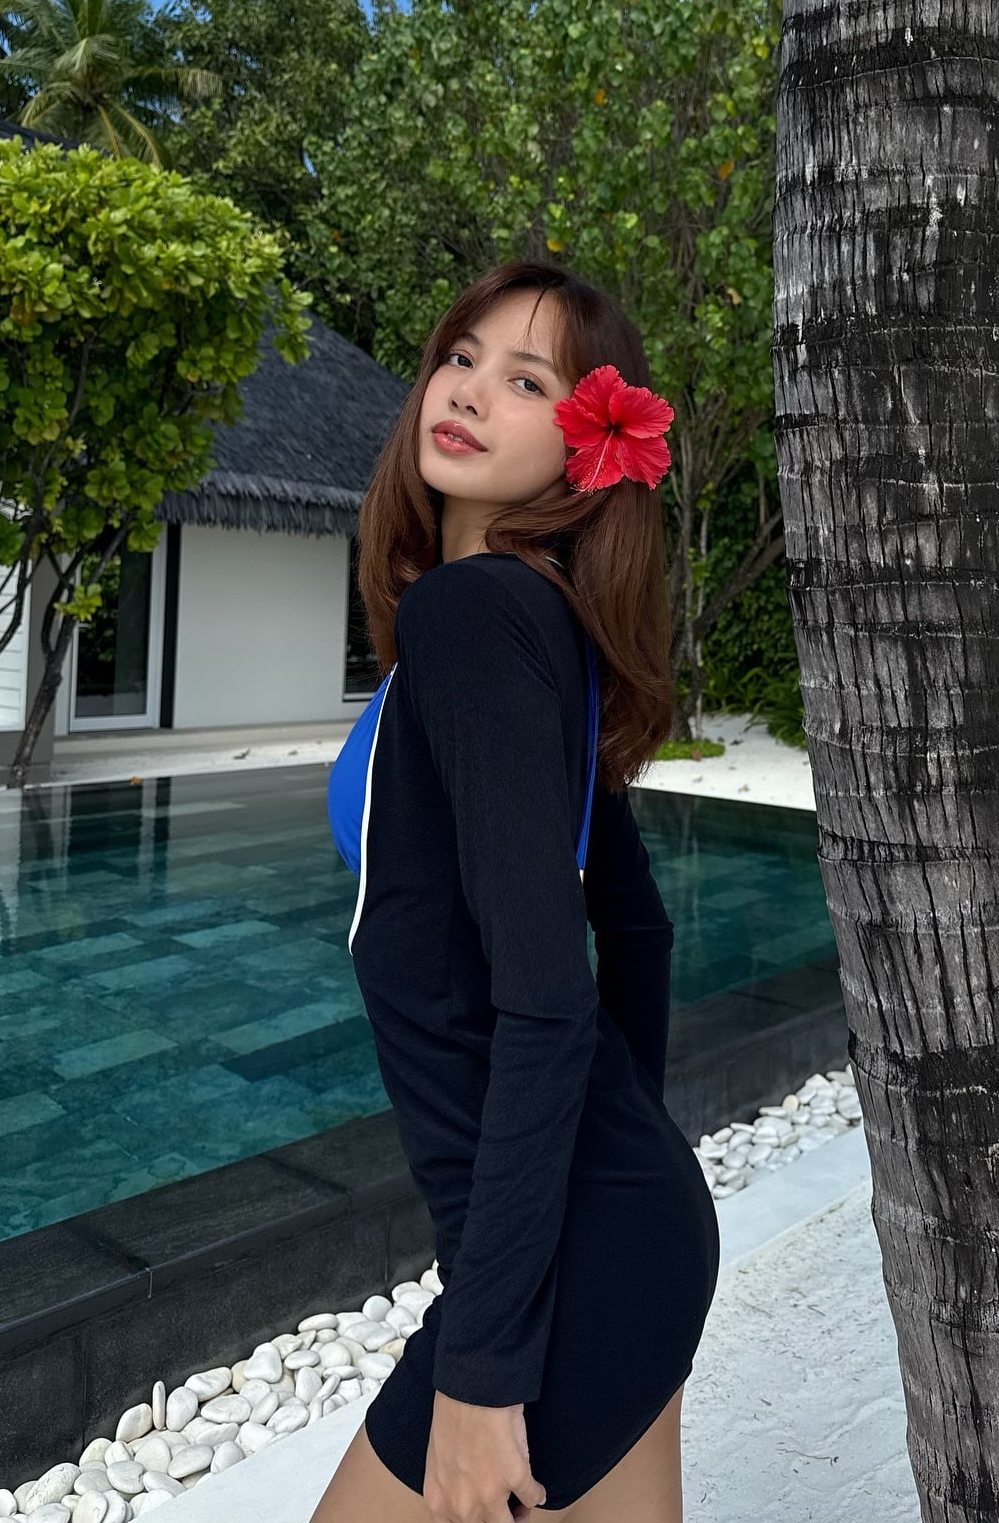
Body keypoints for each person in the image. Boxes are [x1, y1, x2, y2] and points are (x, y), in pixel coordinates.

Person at [310, 263, 720, 1523]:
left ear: (589, 449)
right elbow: (635, 931)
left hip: (566, 1269)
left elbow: (548, 1000)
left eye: (529, 380)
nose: (471, 390)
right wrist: (621, 1148)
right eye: (461, 357)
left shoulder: (473, 616)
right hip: (623, 1228)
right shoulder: (547, 629)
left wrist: (483, 1372)